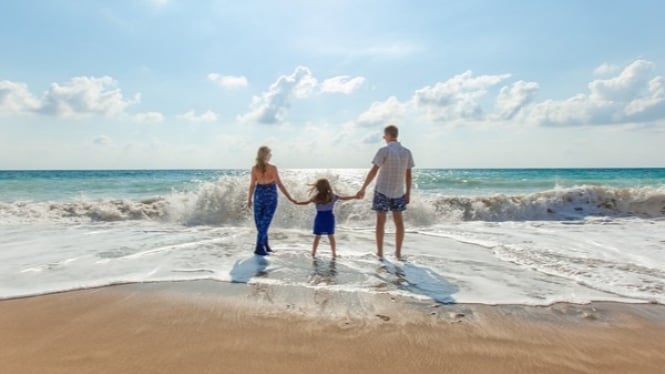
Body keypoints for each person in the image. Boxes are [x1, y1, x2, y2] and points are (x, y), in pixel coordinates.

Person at [357, 125, 414, 259]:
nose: (384, 138)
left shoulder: (384, 150)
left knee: (380, 222)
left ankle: (380, 253)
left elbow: (374, 171)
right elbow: (409, 175)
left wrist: (363, 187)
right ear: (396, 135)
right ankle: (398, 253)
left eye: (384, 136)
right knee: (399, 223)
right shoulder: (407, 152)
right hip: (399, 191)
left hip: (382, 190)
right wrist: (408, 193)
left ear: (387, 135)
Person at [248, 146, 295, 256]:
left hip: (260, 194)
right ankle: (260, 247)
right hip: (268, 194)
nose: (271, 155)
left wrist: (249, 199)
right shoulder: (271, 168)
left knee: (262, 222)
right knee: (262, 222)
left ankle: (264, 245)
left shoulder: (256, 168)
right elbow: (279, 184)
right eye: (270, 153)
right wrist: (289, 197)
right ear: (266, 155)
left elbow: (252, 186)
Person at [295, 178, 358, 257]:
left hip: (320, 217)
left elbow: (306, 203)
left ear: (318, 187)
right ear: (328, 186)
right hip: (329, 217)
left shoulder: (316, 197)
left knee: (317, 236)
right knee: (331, 236)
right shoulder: (332, 196)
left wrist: (296, 202)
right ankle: (333, 253)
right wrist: (354, 196)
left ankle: (313, 253)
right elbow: (343, 198)